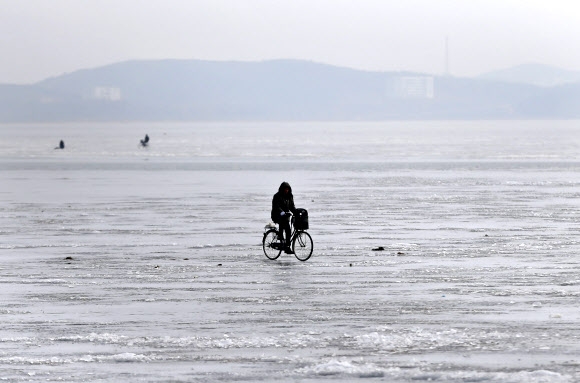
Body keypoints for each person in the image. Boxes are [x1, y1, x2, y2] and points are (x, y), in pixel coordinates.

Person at [271, 182, 297, 254]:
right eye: (285, 189)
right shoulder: (277, 196)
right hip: (277, 215)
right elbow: (276, 206)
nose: (286, 191)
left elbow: (292, 207)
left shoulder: (290, 196)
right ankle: (285, 245)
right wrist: (282, 212)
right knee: (286, 228)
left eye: (288, 189)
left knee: (288, 231)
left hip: (286, 216)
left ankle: (287, 246)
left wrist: (296, 212)